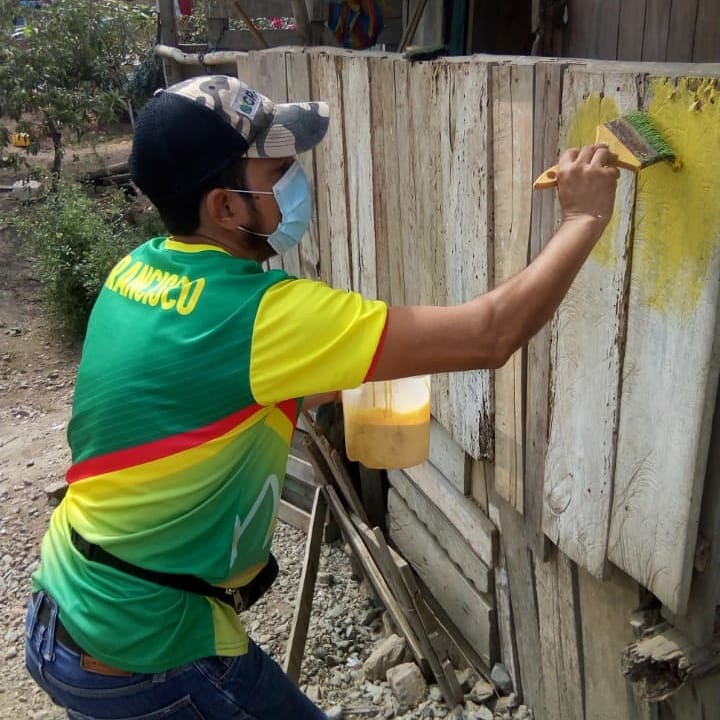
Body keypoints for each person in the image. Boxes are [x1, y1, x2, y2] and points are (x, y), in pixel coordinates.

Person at [24, 74, 619, 719]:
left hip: (71, 606)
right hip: (146, 650)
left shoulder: (137, 270)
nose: (296, 182)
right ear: (225, 207)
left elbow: (209, 396)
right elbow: (490, 334)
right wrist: (584, 217)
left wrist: (360, 363)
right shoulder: (261, 316)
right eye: (278, 171)